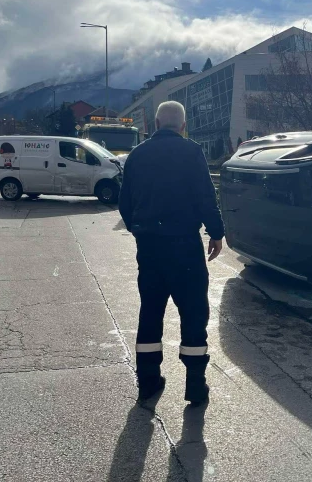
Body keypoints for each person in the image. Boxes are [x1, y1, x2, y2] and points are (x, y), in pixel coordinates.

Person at [119, 101, 225, 405]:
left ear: (154, 125)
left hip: (150, 248)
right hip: (185, 247)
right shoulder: (191, 151)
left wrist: (140, 230)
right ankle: (195, 385)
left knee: (150, 312)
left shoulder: (137, 156)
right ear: (182, 125)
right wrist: (216, 232)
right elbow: (205, 196)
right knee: (193, 313)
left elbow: (125, 204)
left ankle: (148, 382)